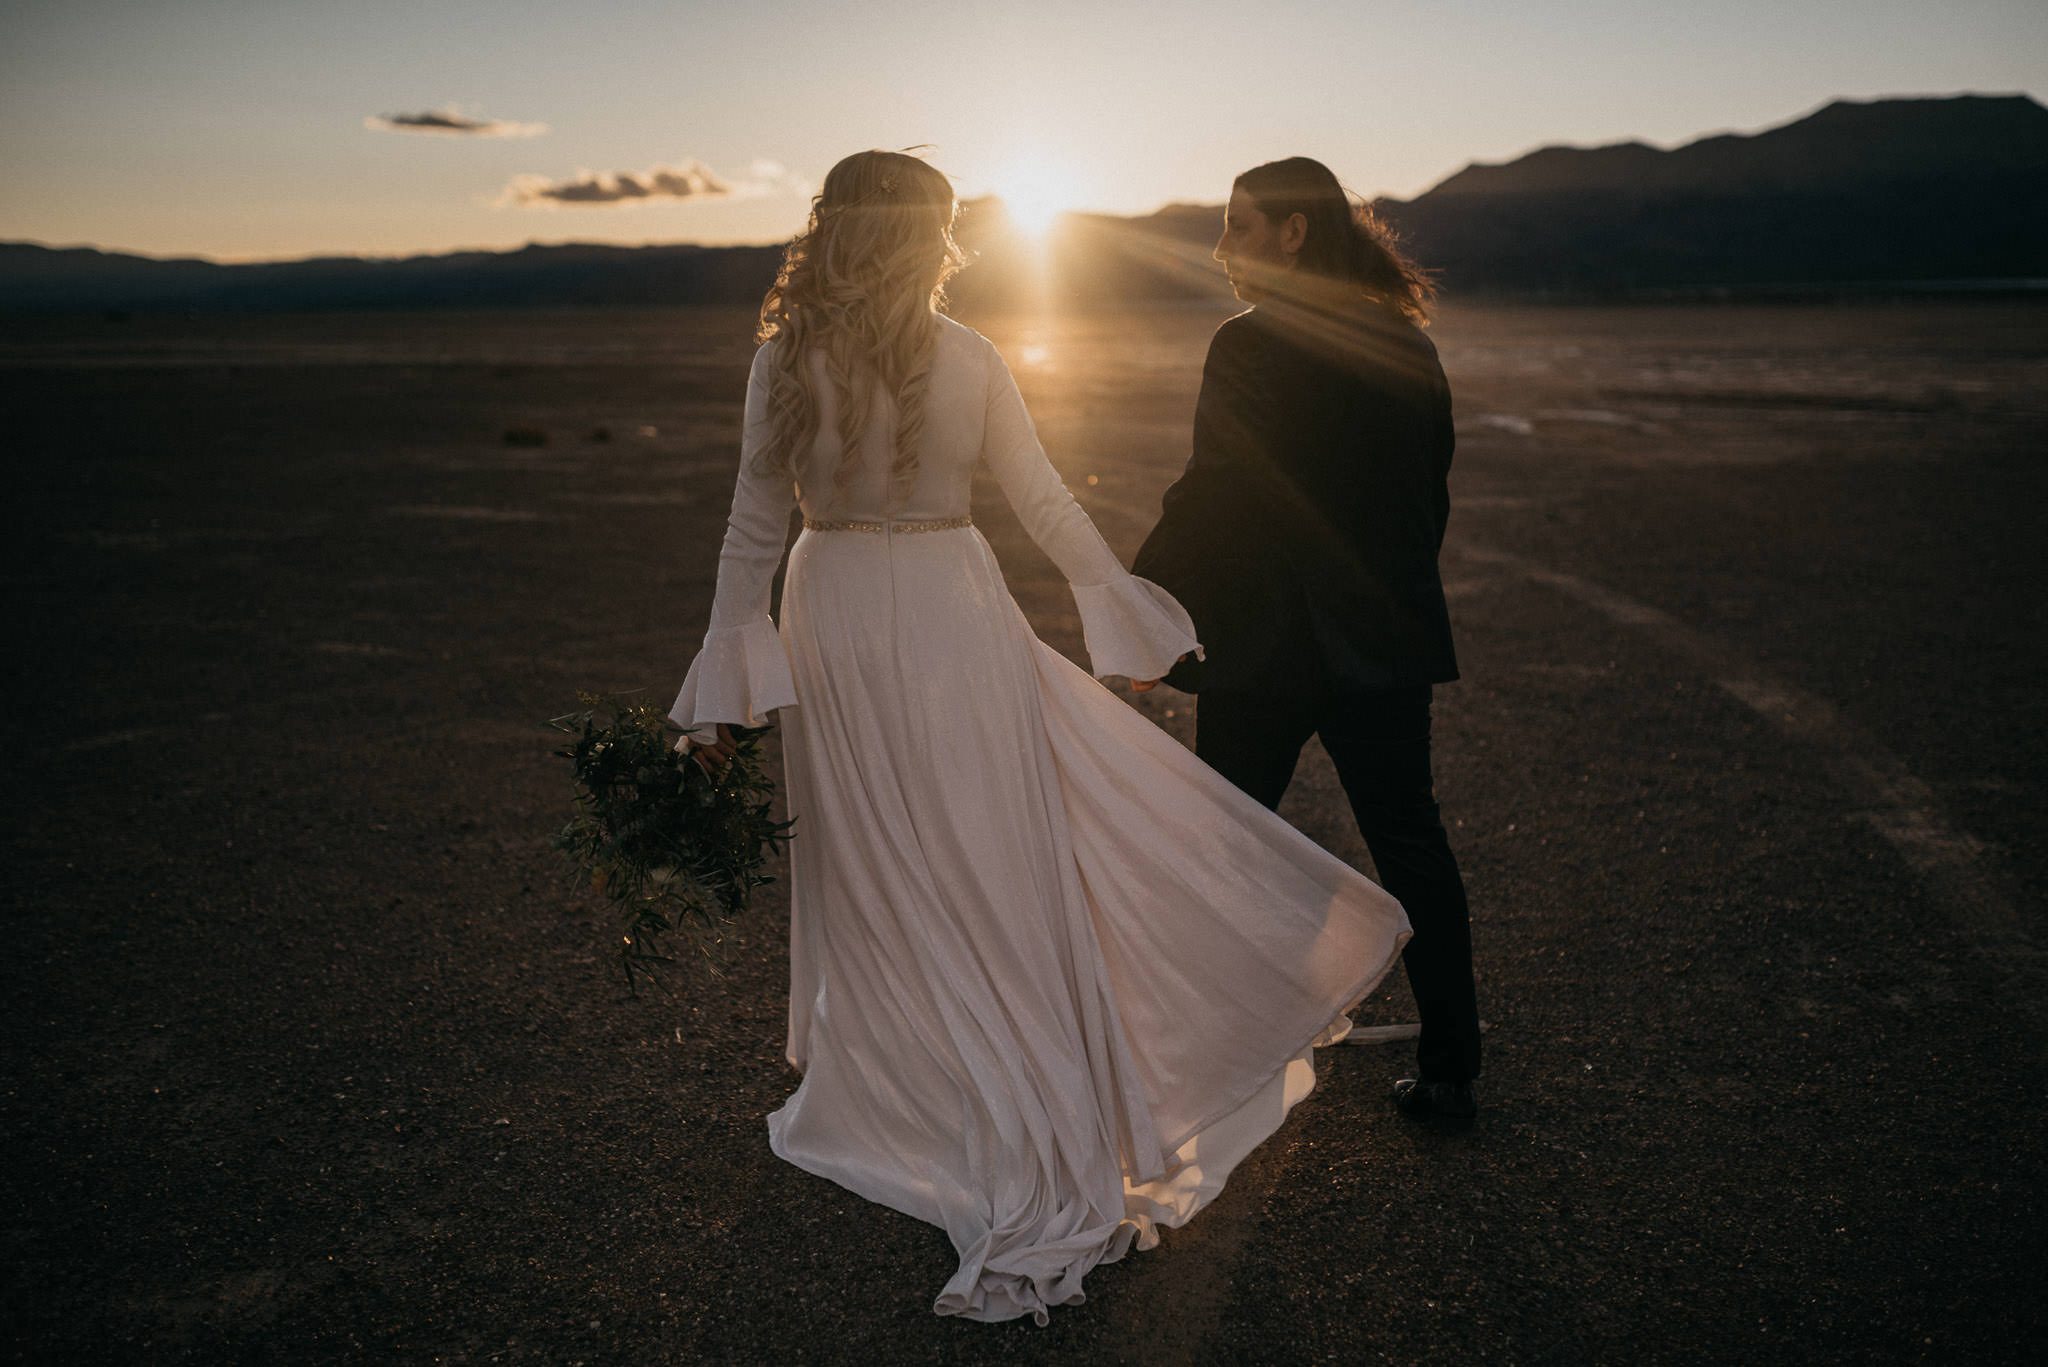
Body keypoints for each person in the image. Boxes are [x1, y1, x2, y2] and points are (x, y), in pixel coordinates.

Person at [670, 150, 1410, 1325]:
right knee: (989, 860)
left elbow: (747, 536)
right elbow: (1050, 507)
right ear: (931, 239)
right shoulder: (967, 357)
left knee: (877, 865)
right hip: (957, 618)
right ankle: (1016, 1085)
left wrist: (718, 699)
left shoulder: (781, 364)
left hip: (841, 618)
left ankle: (914, 1084)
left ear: (832, 231)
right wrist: (1124, 616)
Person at [1131, 156, 1483, 1121]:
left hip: (1267, 648)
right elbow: (1425, 503)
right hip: (1378, 642)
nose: (1222, 245)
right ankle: (1455, 1064)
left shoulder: (1247, 346)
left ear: (1294, 232)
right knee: (1411, 843)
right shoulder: (1407, 343)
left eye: (1239, 226)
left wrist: (1138, 605)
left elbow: (1213, 494)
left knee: (1222, 854)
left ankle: (1207, 1065)